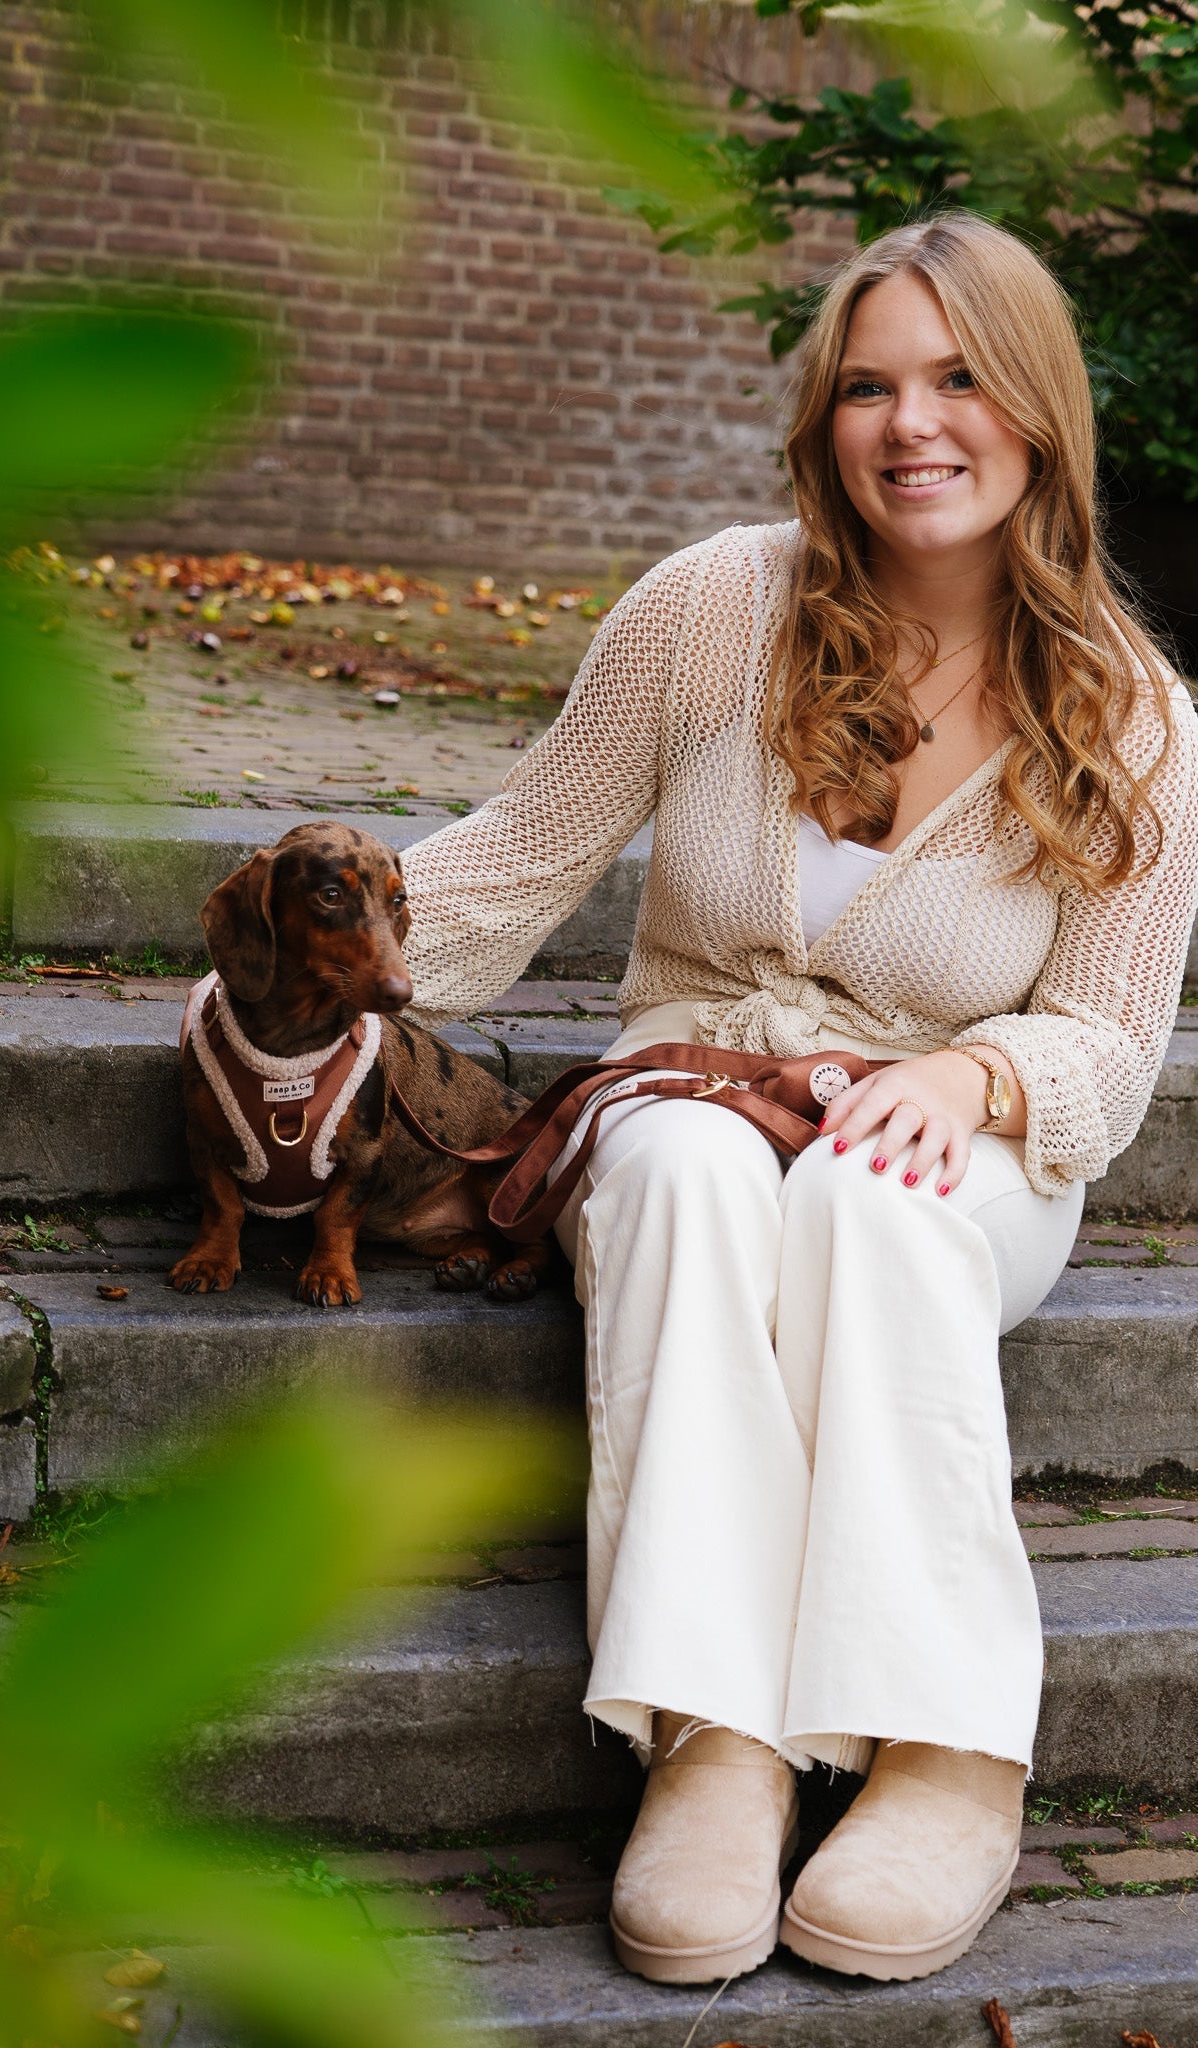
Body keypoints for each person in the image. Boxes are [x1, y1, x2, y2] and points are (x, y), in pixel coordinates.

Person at [398, 212, 1198, 1986]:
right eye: (869, 387)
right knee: (682, 1169)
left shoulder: (1132, 712)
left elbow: (1110, 1037)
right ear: (823, 421)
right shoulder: (711, 609)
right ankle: (713, 1740)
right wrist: (310, 967)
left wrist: (975, 1068)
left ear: (1037, 413)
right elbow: (515, 861)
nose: (913, 424)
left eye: (959, 378)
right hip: (698, 1070)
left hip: (960, 1140)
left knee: (865, 1194)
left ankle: (945, 1748)